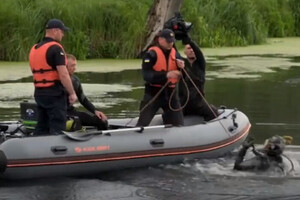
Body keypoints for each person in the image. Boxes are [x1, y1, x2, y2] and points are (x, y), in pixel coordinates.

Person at [29, 19, 77, 135]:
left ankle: (38, 148)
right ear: (55, 31)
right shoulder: (56, 48)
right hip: (54, 94)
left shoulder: (35, 48)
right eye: (62, 31)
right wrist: (72, 93)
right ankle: (58, 150)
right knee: (58, 126)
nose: (63, 34)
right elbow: (64, 74)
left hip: (39, 93)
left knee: (42, 125)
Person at [136, 29, 185, 127]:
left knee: (179, 124)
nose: (170, 44)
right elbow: (147, 75)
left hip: (171, 94)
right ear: (160, 40)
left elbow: (183, 75)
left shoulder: (175, 54)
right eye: (168, 41)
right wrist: (166, 75)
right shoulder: (151, 54)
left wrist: (182, 68)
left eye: (172, 41)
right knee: (142, 123)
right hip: (154, 94)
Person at [178, 35, 218, 121]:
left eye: (192, 48)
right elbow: (173, 53)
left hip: (198, 102)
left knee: (213, 113)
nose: (191, 50)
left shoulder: (200, 63)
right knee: (168, 116)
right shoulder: (181, 63)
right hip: (183, 102)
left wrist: (189, 41)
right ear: (185, 52)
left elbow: (199, 52)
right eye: (189, 48)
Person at [66, 54, 108, 130]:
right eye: (72, 66)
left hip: (71, 112)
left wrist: (95, 111)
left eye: (75, 65)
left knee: (102, 120)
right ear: (65, 66)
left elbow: (83, 99)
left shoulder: (75, 81)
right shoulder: (54, 81)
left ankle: (103, 139)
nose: (75, 68)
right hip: (59, 114)